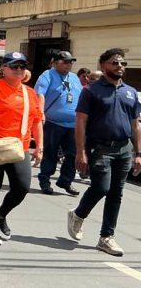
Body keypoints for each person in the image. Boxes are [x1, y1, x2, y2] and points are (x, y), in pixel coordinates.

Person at [67, 48, 141, 257]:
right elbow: (80, 122)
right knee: (101, 188)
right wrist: (80, 152)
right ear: (103, 65)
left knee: (116, 193)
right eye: (115, 63)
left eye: (123, 63)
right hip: (100, 148)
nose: (120, 66)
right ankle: (78, 214)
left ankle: (106, 237)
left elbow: (135, 124)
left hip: (124, 148)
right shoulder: (91, 91)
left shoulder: (130, 92)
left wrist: (138, 153)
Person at [0, 53, 43, 245]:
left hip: (19, 148)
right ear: (4, 68)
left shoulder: (29, 93)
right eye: (14, 66)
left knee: (22, 187)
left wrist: (39, 147)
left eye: (22, 66)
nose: (19, 70)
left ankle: (1, 215)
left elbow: (37, 122)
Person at [35, 50, 82, 196]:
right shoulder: (47, 75)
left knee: (73, 154)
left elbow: (81, 97)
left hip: (72, 124)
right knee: (50, 153)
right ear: (55, 62)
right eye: (65, 62)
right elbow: (40, 94)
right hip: (53, 123)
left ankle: (65, 181)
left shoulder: (74, 78)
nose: (68, 65)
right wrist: (41, 112)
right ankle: (45, 181)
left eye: (70, 62)